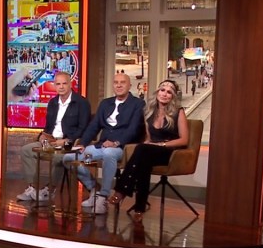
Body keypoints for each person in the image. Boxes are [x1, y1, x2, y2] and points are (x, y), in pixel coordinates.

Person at [63, 73, 145, 215]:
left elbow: (134, 129)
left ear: (129, 85)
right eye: (116, 82)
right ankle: (94, 189)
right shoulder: (105, 103)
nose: (119, 85)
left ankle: (103, 197)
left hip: (123, 147)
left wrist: (116, 142)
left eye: (122, 82)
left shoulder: (138, 104)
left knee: (109, 153)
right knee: (68, 158)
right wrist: (83, 143)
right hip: (101, 145)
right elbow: (94, 126)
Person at [109, 80, 188, 224]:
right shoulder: (149, 111)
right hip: (150, 151)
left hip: (169, 152)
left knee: (142, 150)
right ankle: (139, 209)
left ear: (173, 96)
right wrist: (148, 145)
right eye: (162, 90)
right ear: (157, 92)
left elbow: (184, 140)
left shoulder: (178, 112)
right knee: (143, 161)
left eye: (169, 92)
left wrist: (162, 144)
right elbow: (148, 139)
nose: (165, 94)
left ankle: (122, 190)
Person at [16, 71, 91, 203]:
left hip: (68, 144)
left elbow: (84, 129)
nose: (61, 87)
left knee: (58, 157)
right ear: (55, 85)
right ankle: (32, 188)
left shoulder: (81, 103)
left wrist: (67, 140)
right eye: (58, 84)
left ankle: (49, 190)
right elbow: (49, 126)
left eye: (64, 83)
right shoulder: (53, 102)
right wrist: (42, 136)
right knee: (26, 150)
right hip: (51, 141)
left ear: (70, 84)